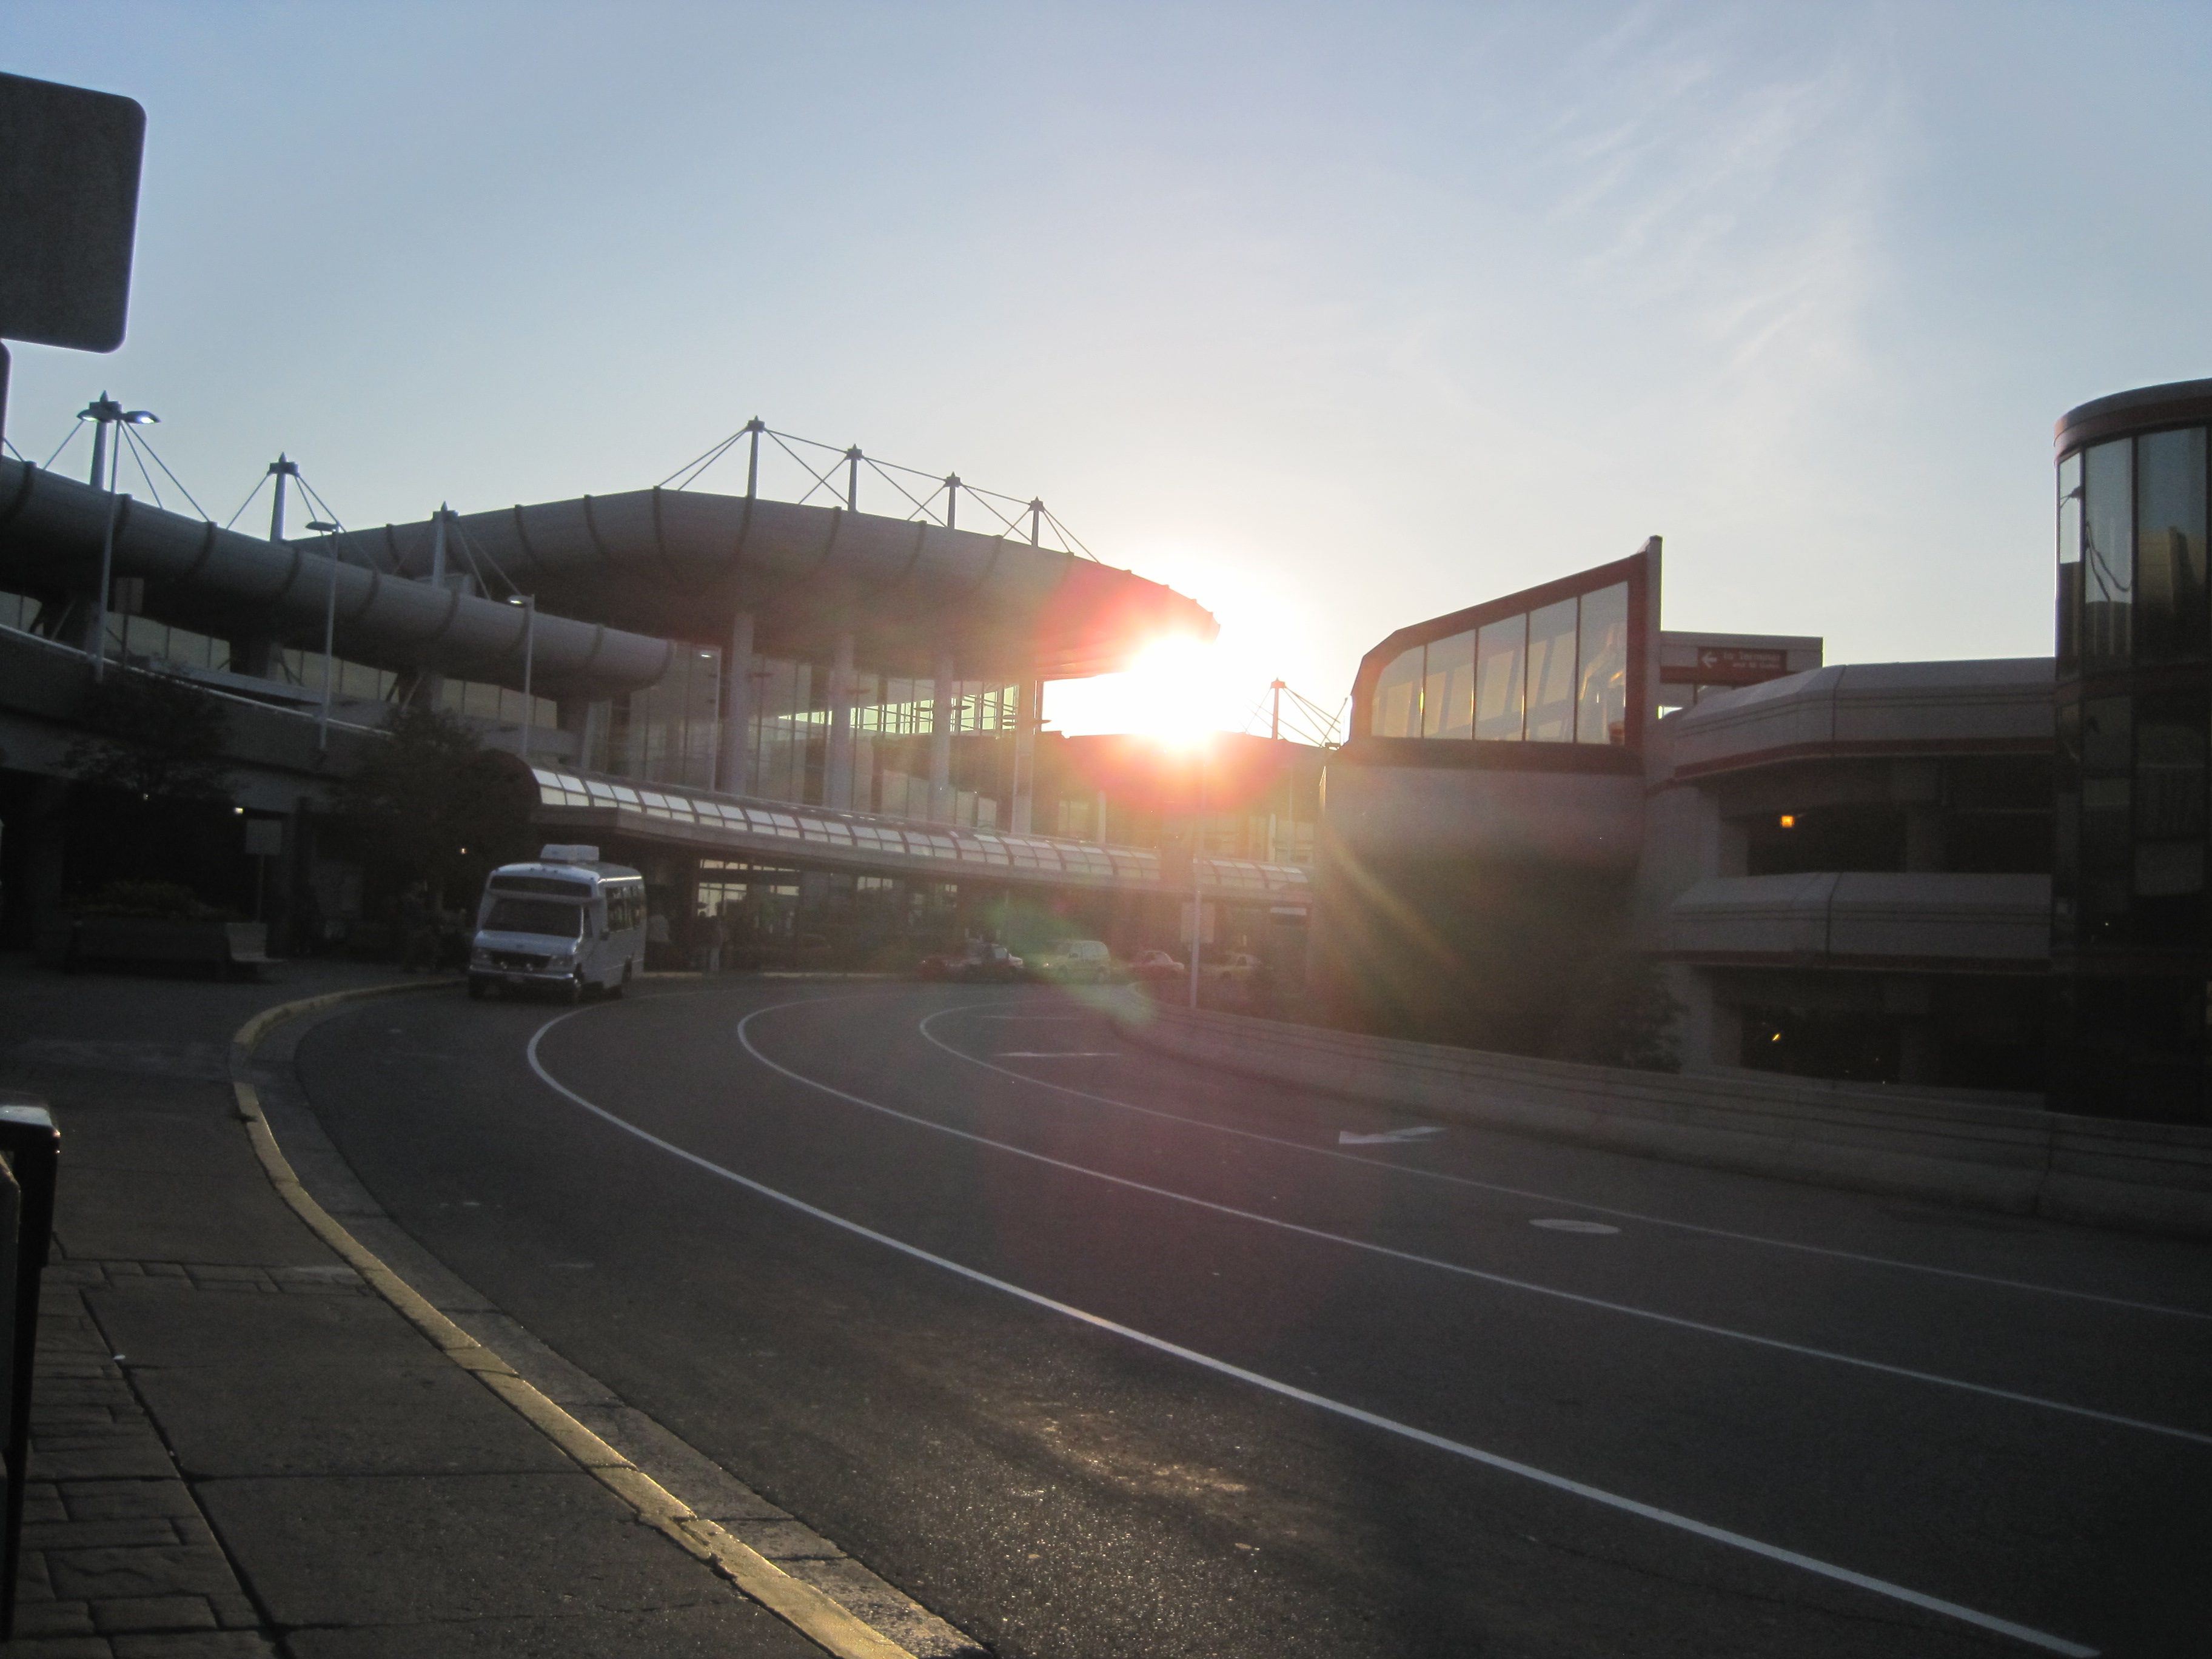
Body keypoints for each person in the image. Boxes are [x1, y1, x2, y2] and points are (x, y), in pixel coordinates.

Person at [397, 882, 434, 973]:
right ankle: (413, 965)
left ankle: (413, 965)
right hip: (414, 927)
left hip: (414, 926)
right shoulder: (410, 901)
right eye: (418, 888)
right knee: (415, 945)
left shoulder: (410, 900)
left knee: (415, 945)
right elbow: (416, 915)